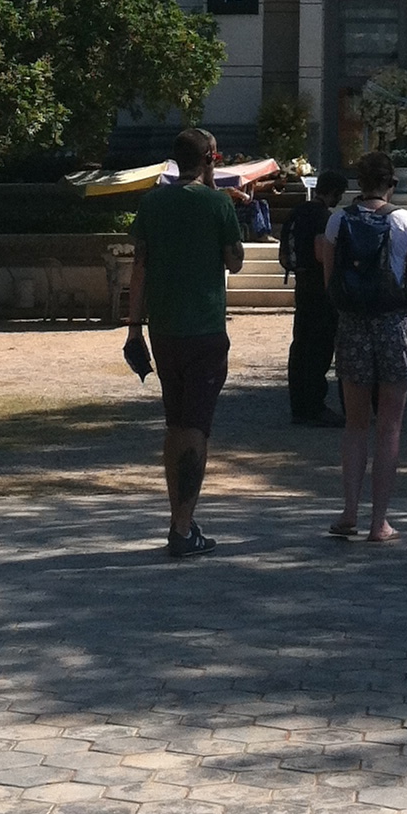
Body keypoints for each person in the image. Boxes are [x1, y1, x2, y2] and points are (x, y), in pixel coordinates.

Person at [126, 127, 245, 557]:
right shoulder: (217, 203)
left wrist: (133, 327)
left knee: (175, 423)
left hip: (164, 329)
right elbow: (235, 261)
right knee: (196, 426)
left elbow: (140, 266)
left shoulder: (153, 202)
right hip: (205, 329)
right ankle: (182, 526)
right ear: (211, 159)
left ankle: (179, 516)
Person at [317, 150, 407, 543]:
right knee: (390, 426)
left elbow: (330, 279)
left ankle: (349, 510)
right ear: (391, 183)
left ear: (359, 183)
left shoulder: (337, 220)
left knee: (355, 424)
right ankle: (380, 520)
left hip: (353, 326)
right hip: (393, 325)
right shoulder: (406, 222)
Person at [281, 167, 348, 425]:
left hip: (301, 283)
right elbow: (321, 253)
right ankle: (314, 406)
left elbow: (285, 253)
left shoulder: (296, 212)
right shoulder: (323, 217)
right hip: (320, 287)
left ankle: (299, 405)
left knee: (300, 345)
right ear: (333, 192)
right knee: (319, 349)